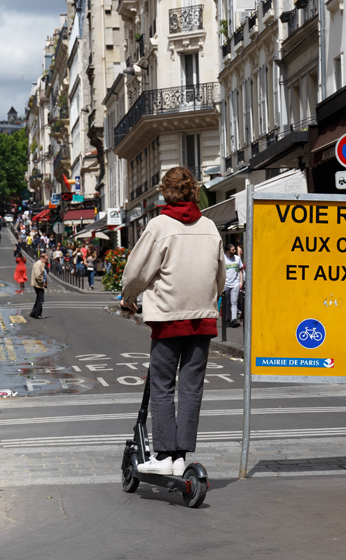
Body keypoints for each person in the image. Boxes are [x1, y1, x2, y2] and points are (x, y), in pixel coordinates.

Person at [121, 166, 225, 477]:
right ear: (194, 191)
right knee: (192, 388)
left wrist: (128, 297)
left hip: (168, 318)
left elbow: (137, 272)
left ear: (166, 192)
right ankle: (181, 455)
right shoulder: (210, 227)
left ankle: (164, 454)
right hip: (202, 319)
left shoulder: (159, 226)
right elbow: (219, 276)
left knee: (162, 385)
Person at [223, 243, 244, 327]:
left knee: (234, 301)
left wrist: (241, 281)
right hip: (226, 283)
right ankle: (227, 319)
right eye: (232, 250)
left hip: (235, 283)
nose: (234, 251)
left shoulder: (237, 259)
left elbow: (240, 270)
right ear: (228, 251)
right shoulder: (223, 259)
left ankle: (234, 319)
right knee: (227, 302)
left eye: (235, 249)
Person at [30, 252, 48, 319]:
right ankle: (37, 314)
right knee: (40, 299)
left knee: (38, 299)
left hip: (38, 284)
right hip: (38, 284)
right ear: (42, 258)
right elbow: (38, 275)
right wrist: (42, 282)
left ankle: (34, 312)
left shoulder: (41, 264)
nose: (47, 261)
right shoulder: (39, 264)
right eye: (46, 259)